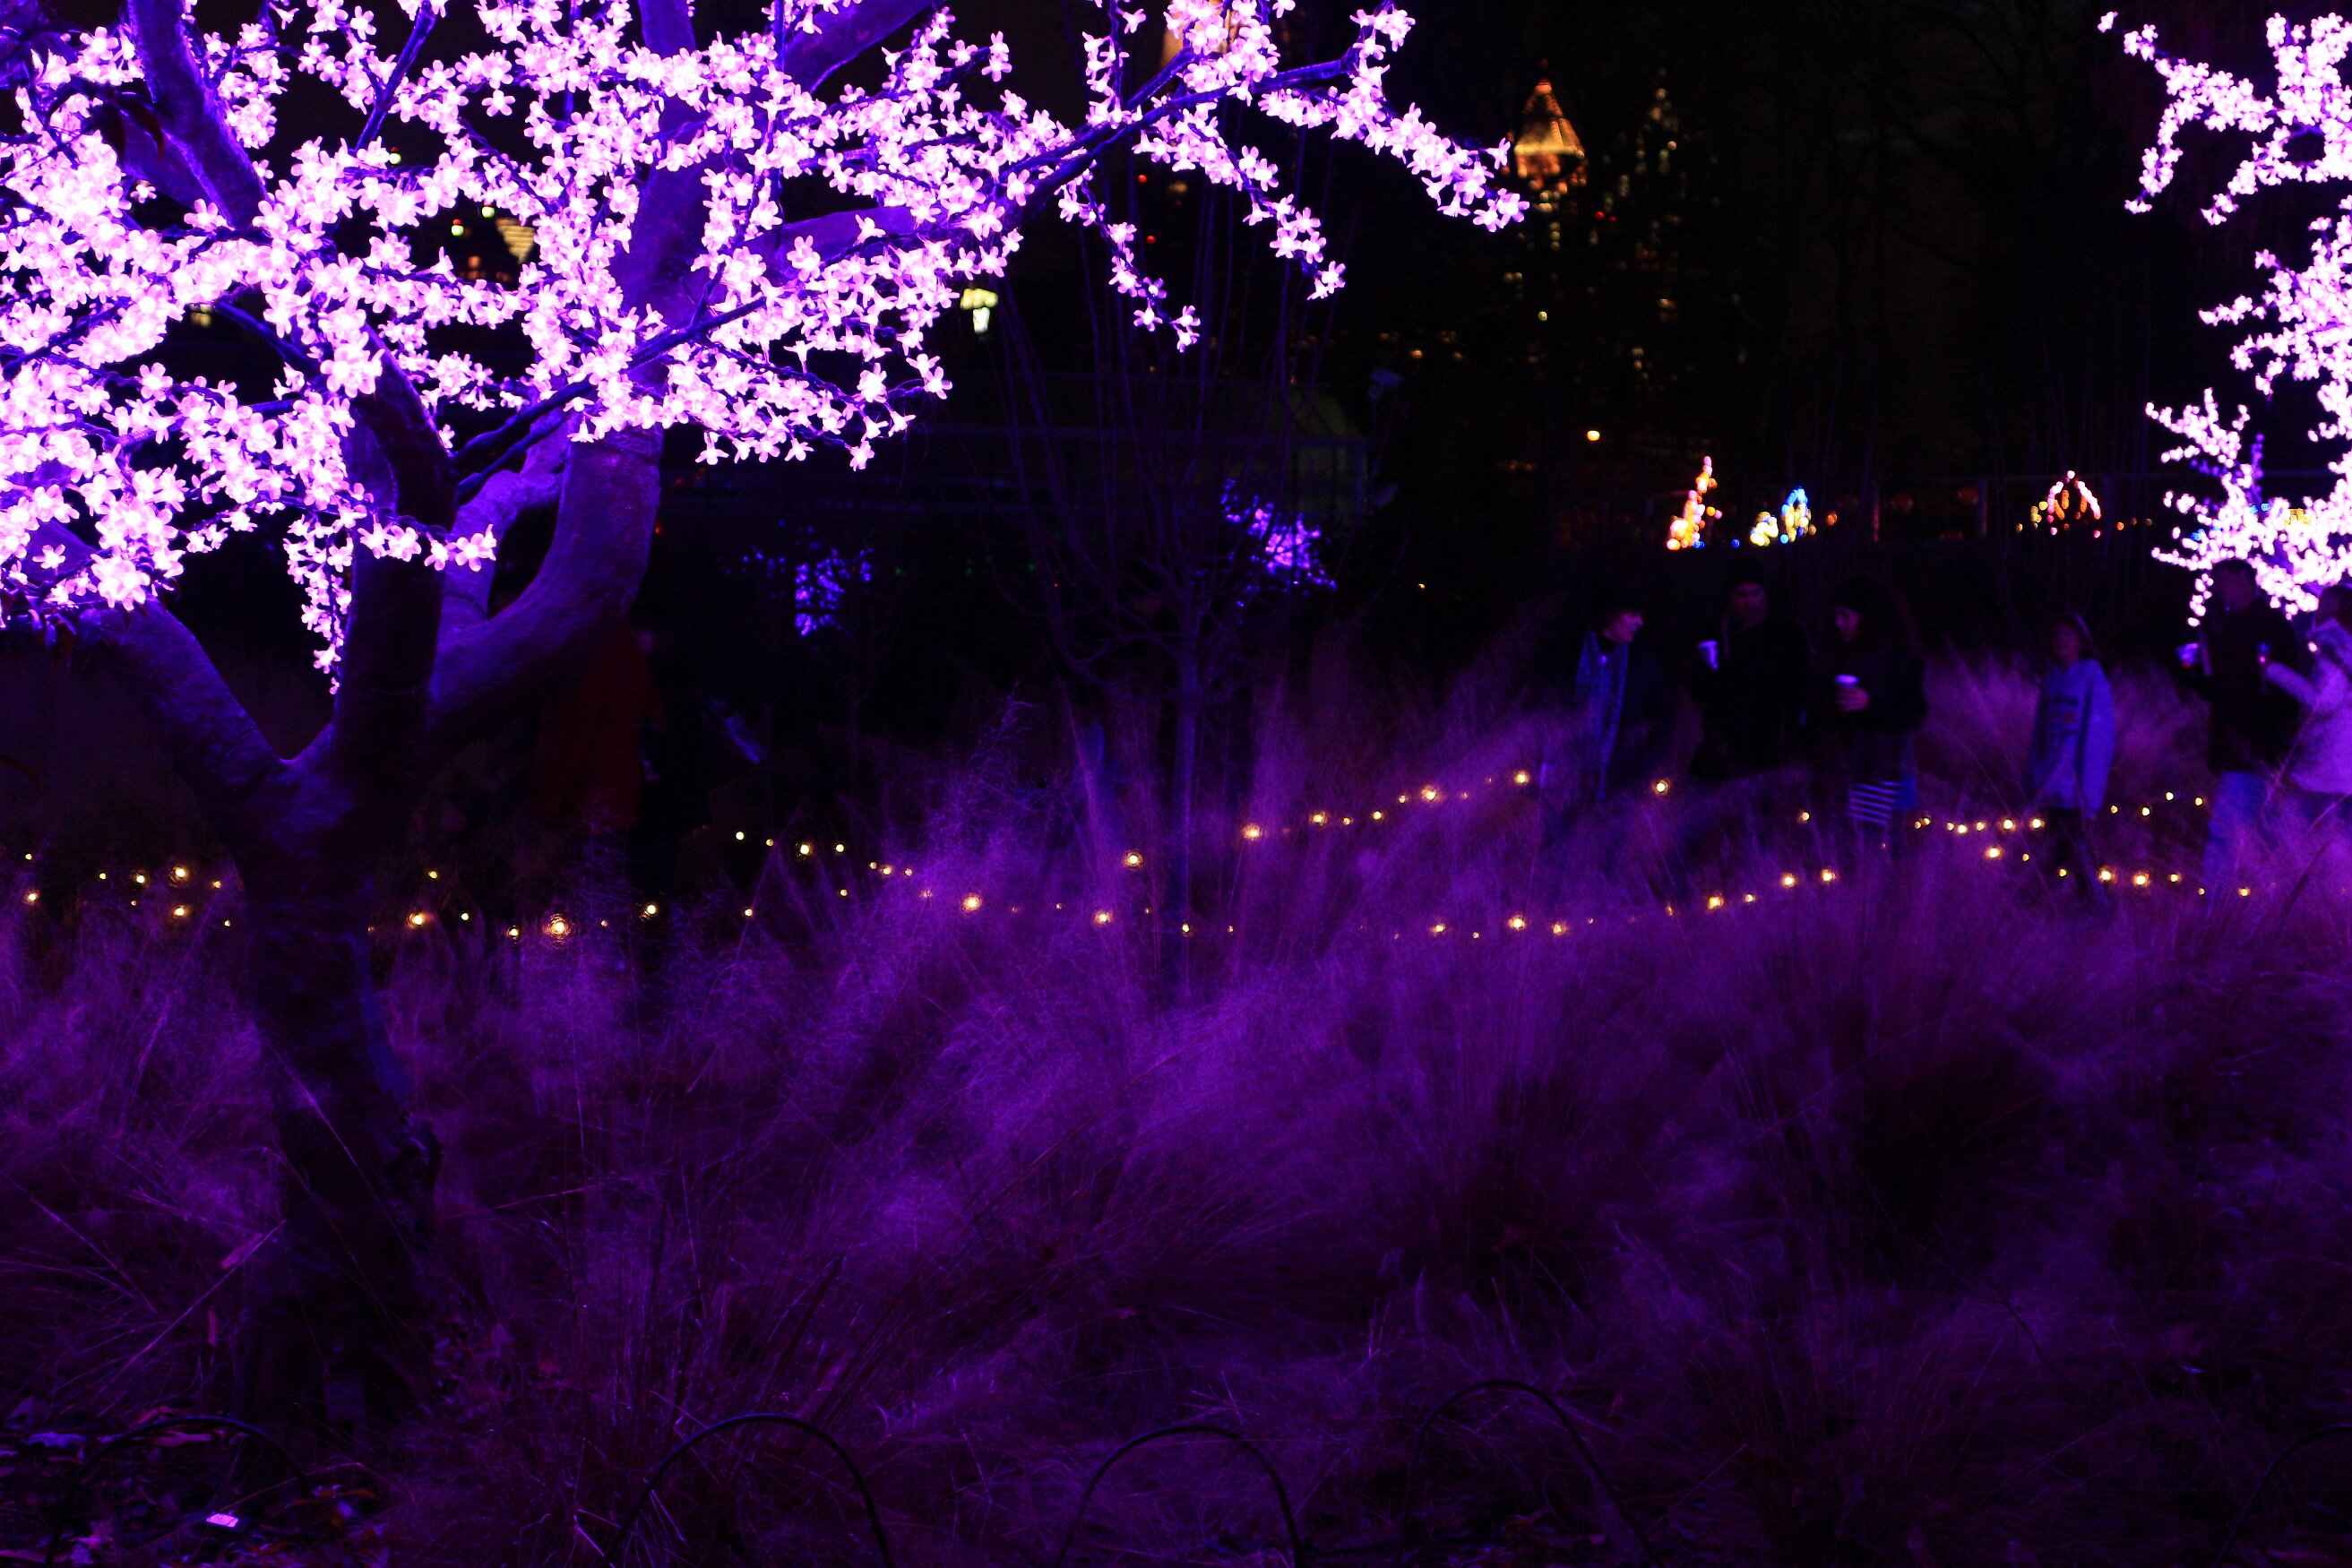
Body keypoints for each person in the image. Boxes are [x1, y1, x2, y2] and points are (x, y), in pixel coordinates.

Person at [2187, 558, 2304, 892]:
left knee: (2228, 831)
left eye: (2224, 581)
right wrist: (2198, 676)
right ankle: (2268, 899)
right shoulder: (2234, 626)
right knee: (2258, 831)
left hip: (2251, 746)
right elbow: (2227, 688)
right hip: (2246, 745)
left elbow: (2280, 689)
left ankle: (2219, 904)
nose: (2219, 589)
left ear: (2245, 580)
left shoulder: (2264, 626)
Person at [1538, 584, 1676, 849]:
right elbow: (1542, 708)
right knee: (1556, 849)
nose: (1640, 622)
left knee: (1606, 852)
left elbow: (1663, 715)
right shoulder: (1566, 653)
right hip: (1563, 774)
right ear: (1610, 614)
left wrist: (1646, 763)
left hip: (1619, 774)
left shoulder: (1641, 660)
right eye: (1632, 614)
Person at [1813, 575, 1927, 843]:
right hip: (1844, 775)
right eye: (1835, 615)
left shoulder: (1900, 659)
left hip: (1886, 776)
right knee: (1848, 848)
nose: (1838, 623)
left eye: (1845, 615)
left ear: (1867, 618)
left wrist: (1871, 703)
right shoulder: (1837, 655)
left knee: (1879, 850)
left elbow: (1914, 713)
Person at [2022, 611, 2116, 896]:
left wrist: (2090, 792)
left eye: (2069, 635)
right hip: (2051, 787)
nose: (2062, 641)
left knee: (2081, 855)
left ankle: (2098, 907)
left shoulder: (2091, 676)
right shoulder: (2052, 679)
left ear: (2081, 641)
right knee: (2055, 853)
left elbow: (2098, 737)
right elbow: (2040, 732)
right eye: (2057, 635)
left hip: (2077, 789)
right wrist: (2034, 777)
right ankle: (2053, 908)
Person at [1688, 564, 1811, 781]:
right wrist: (1709, 672)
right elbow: (1698, 689)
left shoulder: (1786, 634)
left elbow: (1799, 688)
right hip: (1724, 742)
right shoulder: (1716, 631)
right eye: (1742, 594)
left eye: (1756, 593)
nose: (1750, 601)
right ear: (1730, 595)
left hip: (1772, 741)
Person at [2263, 582, 2352, 839]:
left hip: (2327, 768)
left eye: (2323, 603)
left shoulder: (2337, 650)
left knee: (2291, 839)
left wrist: (2273, 670)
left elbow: (2322, 703)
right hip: (2339, 770)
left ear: (2335, 609)